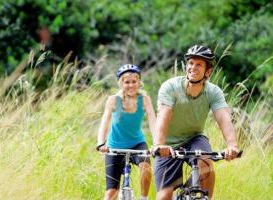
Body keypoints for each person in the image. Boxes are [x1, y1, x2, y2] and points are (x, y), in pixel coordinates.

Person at [153, 45, 239, 200]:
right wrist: (159, 144)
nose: (193, 67)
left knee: (206, 162)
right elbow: (163, 115)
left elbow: (224, 119)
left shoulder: (213, 92)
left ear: (208, 71)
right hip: (168, 144)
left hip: (194, 138)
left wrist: (232, 145)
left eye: (199, 64)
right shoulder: (170, 87)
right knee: (163, 197)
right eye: (191, 63)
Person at [97, 64, 156, 200]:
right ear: (121, 83)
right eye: (126, 82)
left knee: (146, 168)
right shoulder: (113, 100)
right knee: (111, 194)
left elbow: (153, 121)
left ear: (139, 82)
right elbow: (104, 122)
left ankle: (143, 198)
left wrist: (157, 143)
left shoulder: (144, 100)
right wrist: (101, 143)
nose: (130, 85)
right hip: (115, 146)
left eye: (134, 81)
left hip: (137, 143)